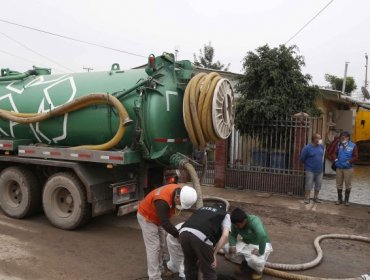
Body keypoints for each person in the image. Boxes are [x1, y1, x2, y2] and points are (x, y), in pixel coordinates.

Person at [137, 184, 197, 280]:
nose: (180, 205)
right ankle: (154, 277)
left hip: (158, 217)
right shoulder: (162, 201)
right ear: (177, 197)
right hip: (147, 217)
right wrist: (177, 235)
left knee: (161, 244)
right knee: (154, 247)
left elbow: (164, 220)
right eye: (180, 203)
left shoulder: (178, 190)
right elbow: (165, 222)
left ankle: (160, 269)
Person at [176, 203, 231, 280]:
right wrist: (214, 254)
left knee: (190, 266)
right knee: (209, 272)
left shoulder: (202, 208)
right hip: (201, 236)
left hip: (183, 232)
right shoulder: (225, 215)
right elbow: (225, 235)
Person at [226, 208, 272, 280]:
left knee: (256, 260)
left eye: (238, 225)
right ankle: (242, 263)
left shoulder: (254, 221)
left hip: (261, 243)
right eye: (235, 225)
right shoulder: (235, 222)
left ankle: (258, 271)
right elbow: (232, 235)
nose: (236, 227)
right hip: (246, 242)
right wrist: (232, 245)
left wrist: (260, 251)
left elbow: (262, 237)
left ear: (244, 221)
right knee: (226, 248)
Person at [331, 131, 358, 206]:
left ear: (348, 138)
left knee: (348, 184)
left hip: (348, 169)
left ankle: (346, 200)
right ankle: (339, 199)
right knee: (339, 184)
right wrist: (336, 160)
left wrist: (349, 162)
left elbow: (356, 156)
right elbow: (334, 153)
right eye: (342, 137)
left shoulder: (353, 146)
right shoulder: (339, 144)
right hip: (339, 168)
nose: (343, 138)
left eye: (345, 137)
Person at [300, 133, 325, 204]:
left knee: (318, 184)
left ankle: (316, 197)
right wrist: (308, 165)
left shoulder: (321, 147)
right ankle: (307, 198)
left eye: (320, 138)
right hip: (310, 170)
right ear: (314, 139)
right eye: (319, 138)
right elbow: (302, 158)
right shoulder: (307, 148)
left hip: (320, 170)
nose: (320, 140)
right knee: (308, 184)